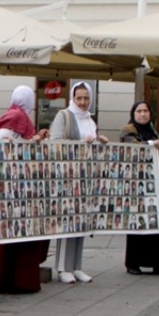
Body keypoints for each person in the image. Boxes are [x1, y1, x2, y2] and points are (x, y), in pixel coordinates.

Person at [0, 85, 50, 293]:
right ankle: (16, 279)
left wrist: (35, 139)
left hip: (19, 186)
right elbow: (2, 142)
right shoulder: (17, 116)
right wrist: (27, 142)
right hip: (14, 187)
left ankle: (13, 278)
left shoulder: (19, 115)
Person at [49, 82, 106, 284]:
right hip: (68, 177)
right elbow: (55, 143)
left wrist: (99, 141)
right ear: (72, 98)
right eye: (79, 98)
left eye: (86, 98)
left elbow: (92, 145)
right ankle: (64, 267)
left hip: (86, 178)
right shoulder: (64, 116)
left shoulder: (90, 120)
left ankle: (77, 266)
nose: (82, 102)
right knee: (67, 220)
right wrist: (83, 144)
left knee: (82, 220)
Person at [120, 101, 159, 275]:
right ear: (133, 113)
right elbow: (132, 147)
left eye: (146, 111)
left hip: (156, 185)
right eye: (139, 111)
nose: (143, 114)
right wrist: (154, 145)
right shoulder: (128, 130)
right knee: (138, 223)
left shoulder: (153, 131)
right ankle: (133, 263)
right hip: (138, 185)